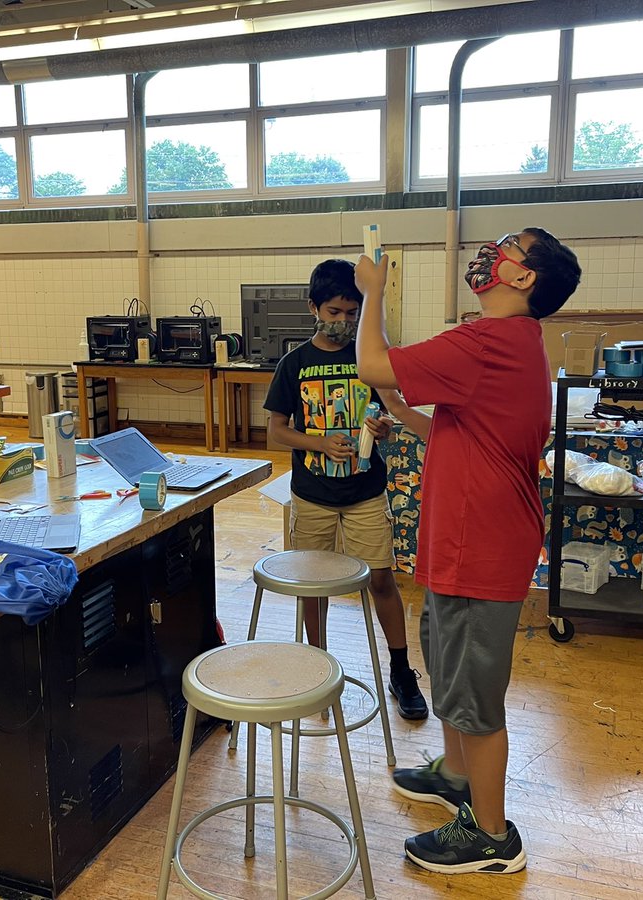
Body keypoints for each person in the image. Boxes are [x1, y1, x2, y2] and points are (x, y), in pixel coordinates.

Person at [354, 229, 582, 874]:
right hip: (464, 538)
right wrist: (398, 408)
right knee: (449, 664)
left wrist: (373, 293)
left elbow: (372, 362)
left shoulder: (489, 340)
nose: (492, 250)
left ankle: (492, 837)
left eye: (510, 245)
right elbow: (460, 432)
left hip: (480, 544)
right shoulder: (513, 343)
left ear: (525, 277)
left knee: (475, 694)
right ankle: (456, 775)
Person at [264, 258, 429, 720]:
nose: (343, 321)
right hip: (312, 495)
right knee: (313, 587)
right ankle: (317, 665)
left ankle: (401, 669)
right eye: (334, 312)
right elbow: (277, 430)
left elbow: (389, 415)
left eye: (352, 313)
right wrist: (318, 442)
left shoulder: (369, 361)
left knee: (380, 579)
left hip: (365, 494)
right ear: (313, 308)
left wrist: (383, 428)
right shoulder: (294, 364)